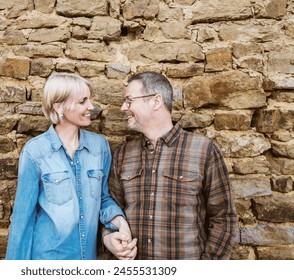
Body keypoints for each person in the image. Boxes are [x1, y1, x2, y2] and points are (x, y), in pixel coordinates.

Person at [102, 71, 237, 260]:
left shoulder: (204, 150)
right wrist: (109, 240)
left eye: (129, 100)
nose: (123, 107)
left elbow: (224, 219)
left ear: (156, 101)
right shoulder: (123, 154)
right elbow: (111, 211)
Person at [5, 72, 132, 260]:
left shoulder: (100, 147)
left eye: (89, 99)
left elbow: (103, 199)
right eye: (83, 101)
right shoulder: (35, 152)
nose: (91, 106)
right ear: (59, 106)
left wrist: (121, 223)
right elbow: (22, 221)